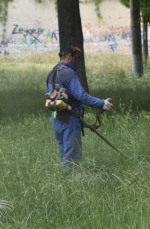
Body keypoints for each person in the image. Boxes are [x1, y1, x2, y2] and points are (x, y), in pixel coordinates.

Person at [46, 46, 113, 174]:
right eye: (74, 57)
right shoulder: (69, 73)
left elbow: (50, 96)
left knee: (64, 154)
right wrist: (102, 104)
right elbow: (81, 96)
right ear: (69, 56)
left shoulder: (52, 73)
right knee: (72, 157)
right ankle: (69, 182)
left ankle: (64, 180)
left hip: (56, 119)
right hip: (70, 120)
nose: (75, 60)